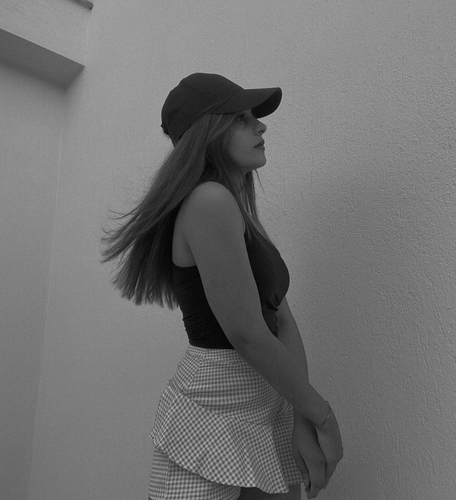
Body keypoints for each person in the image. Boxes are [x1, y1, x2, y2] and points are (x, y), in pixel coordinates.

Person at [102, 73, 343, 500]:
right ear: (208, 132)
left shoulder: (235, 209)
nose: (261, 126)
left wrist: (301, 417)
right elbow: (248, 334)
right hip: (213, 408)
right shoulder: (208, 201)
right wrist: (323, 416)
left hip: (263, 402)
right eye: (242, 119)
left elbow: (282, 321)